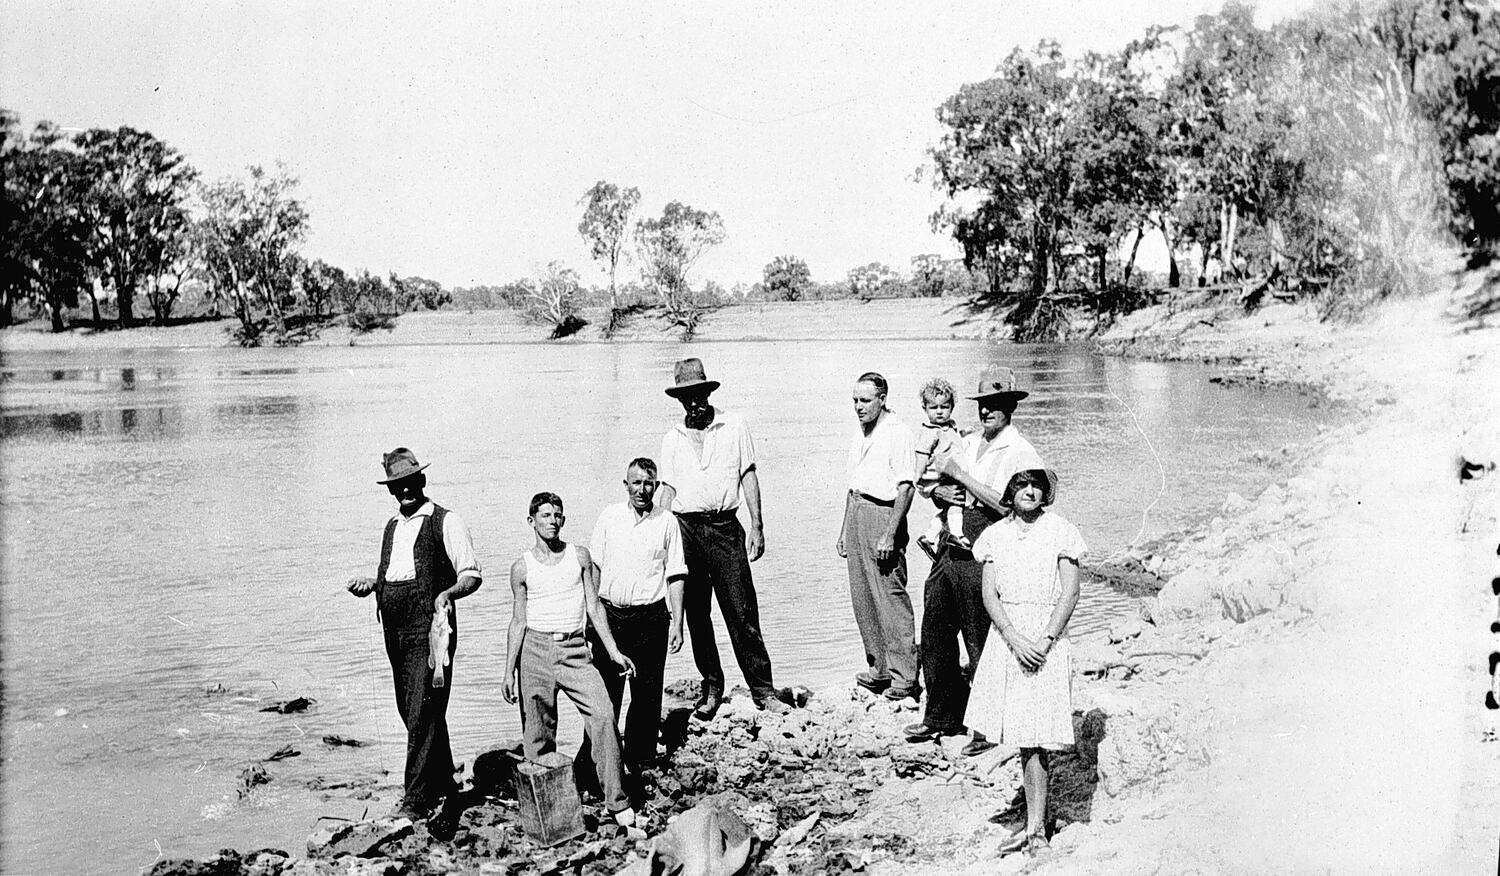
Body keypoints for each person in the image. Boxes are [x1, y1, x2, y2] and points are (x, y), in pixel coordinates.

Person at [903, 365, 1044, 757]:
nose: (985, 411)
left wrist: (961, 479)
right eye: (982, 404)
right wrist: (940, 493)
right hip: (950, 547)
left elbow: (1012, 505)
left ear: (1010, 407)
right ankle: (942, 715)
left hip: (984, 555)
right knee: (935, 632)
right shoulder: (968, 441)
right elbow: (938, 480)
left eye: (994, 405)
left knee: (981, 639)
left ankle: (986, 727)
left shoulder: (1020, 451)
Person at [346, 447, 482, 820]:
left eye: (409, 482)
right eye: (397, 485)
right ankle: (445, 780)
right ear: (391, 490)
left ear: (421, 480)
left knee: (423, 708)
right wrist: (372, 584)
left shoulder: (446, 521)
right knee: (411, 709)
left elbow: (472, 574)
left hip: (431, 629)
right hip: (395, 630)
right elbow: (398, 575)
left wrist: (448, 594)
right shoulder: (392, 526)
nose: (404, 490)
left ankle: (416, 799)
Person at [656, 357, 789, 718]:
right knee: (697, 615)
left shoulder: (734, 425)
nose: (693, 404)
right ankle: (712, 687)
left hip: (726, 528)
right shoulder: (672, 438)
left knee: (742, 611)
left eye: (698, 395)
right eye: (686, 398)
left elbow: (748, 475)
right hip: (685, 529)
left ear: (708, 392)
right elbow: (668, 491)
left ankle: (763, 689)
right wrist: (657, 537)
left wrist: (757, 525)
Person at [500, 491, 638, 826]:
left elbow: (594, 607)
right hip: (534, 652)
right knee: (538, 737)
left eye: (557, 515)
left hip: (575, 651)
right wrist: (508, 672)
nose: (552, 521)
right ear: (531, 521)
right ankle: (548, 815)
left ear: (563, 519)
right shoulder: (521, 567)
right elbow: (517, 621)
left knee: (603, 715)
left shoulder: (579, 556)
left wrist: (614, 652)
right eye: (545, 515)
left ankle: (617, 802)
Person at [967, 468, 1084, 856]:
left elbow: (1070, 593)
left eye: (1036, 485)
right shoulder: (994, 536)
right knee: (1022, 734)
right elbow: (990, 596)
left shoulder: (1061, 531)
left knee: (1037, 737)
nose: (1030, 491)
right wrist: (1014, 638)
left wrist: (1045, 640)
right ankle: (1034, 820)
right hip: (1009, 638)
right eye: (1021, 484)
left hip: (1047, 637)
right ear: (1009, 490)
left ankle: (1036, 831)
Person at [577, 457, 687, 774]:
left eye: (648, 483)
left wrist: (678, 624)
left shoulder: (667, 522)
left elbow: (676, 575)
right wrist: (589, 617)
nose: (642, 490)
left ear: (657, 486)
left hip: (651, 618)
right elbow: (594, 570)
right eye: (636, 483)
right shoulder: (609, 517)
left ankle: (641, 764)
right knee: (604, 698)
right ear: (626, 485)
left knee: (647, 697)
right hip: (610, 617)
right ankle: (594, 766)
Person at [837, 372, 919, 700]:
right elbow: (853, 484)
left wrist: (890, 533)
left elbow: (906, 487)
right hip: (858, 512)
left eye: (865, 401)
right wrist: (844, 529)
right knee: (863, 597)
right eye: (855, 401)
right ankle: (879, 668)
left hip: (884, 515)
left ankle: (905, 677)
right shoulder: (861, 431)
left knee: (890, 596)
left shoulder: (898, 432)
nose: (859, 407)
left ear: (882, 399)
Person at [914, 377, 967, 556]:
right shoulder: (930, 431)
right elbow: (922, 453)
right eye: (933, 407)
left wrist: (964, 434)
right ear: (925, 408)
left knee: (948, 510)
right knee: (956, 503)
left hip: (947, 475)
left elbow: (952, 441)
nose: (939, 412)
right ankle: (957, 534)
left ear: (952, 407)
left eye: (944, 407)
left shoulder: (949, 426)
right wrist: (918, 475)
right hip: (936, 478)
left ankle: (929, 536)